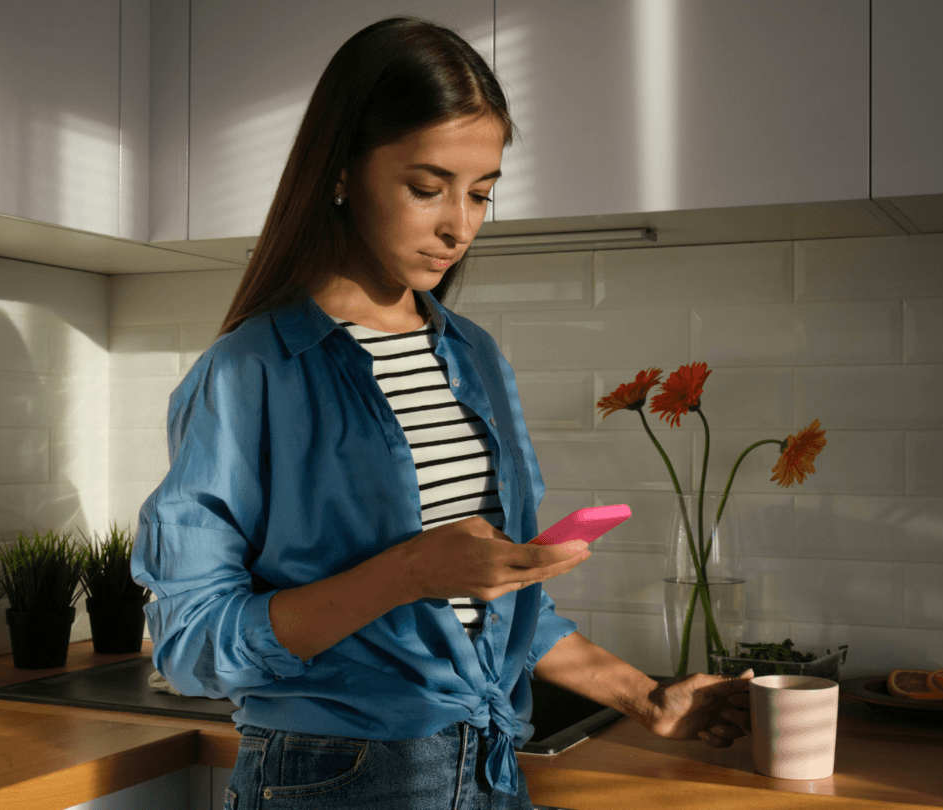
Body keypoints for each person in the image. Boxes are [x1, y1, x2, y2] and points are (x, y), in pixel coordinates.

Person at [131, 16, 751, 810]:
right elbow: (190, 644)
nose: (460, 224)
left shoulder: (476, 357)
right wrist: (410, 572)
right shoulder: (251, 372)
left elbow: (499, 605)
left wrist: (644, 695)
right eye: (427, 188)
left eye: (482, 192)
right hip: (332, 779)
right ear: (342, 171)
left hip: (484, 768)